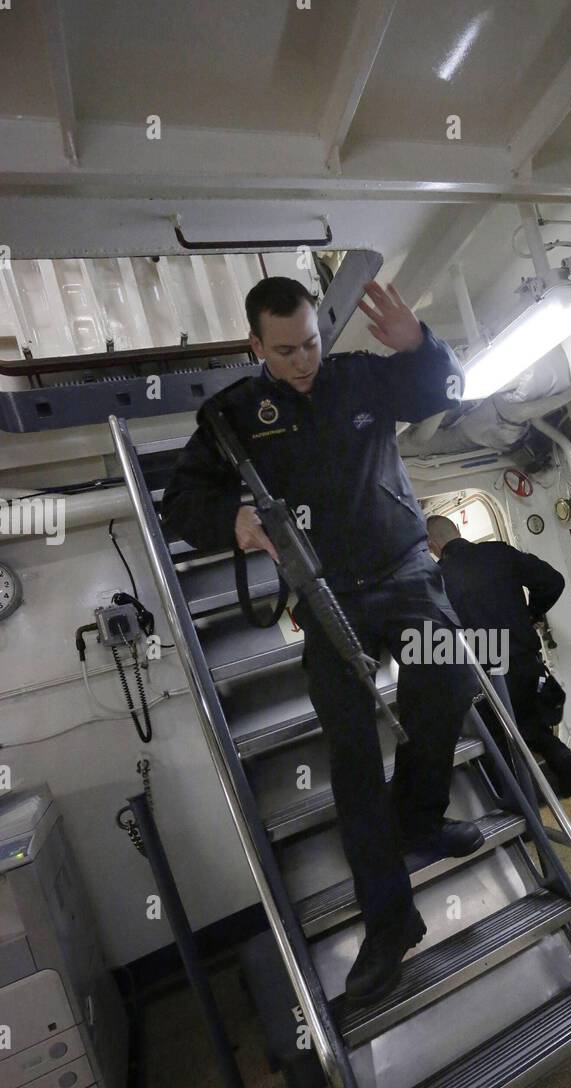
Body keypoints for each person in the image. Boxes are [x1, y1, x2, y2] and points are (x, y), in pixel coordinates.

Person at [162, 277, 482, 1005]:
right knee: (353, 754)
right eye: (284, 350)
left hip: (403, 571)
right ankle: (389, 922)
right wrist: (234, 525)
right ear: (255, 347)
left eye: (309, 342)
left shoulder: (362, 377)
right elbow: (185, 501)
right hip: (327, 596)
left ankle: (422, 819)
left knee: (452, 681)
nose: (302, 359)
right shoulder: (233, 417)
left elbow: (445, 390)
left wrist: (422, 345)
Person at [427, 516, 571, 797]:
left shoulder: (436, 579)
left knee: (499, 743)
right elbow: (552, 581)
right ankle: (570, 780)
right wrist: (531, 614)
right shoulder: (499, 552)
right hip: (525, 661)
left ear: (432, 544)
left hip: (486, 675)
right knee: (535, 727)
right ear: (458, 531)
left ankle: (522, 813)